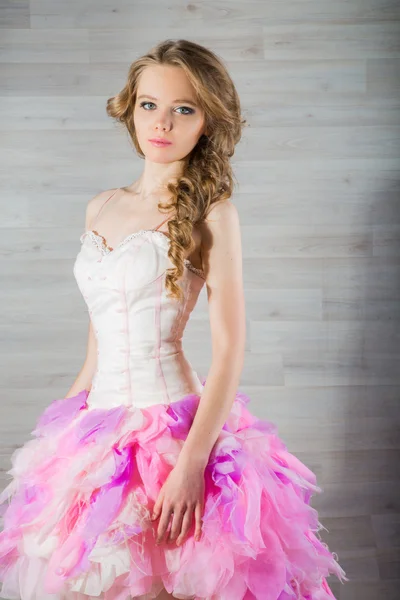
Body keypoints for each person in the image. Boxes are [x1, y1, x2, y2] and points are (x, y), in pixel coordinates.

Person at [0, 39, 348, 600]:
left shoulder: (214, 214)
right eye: (149, 105)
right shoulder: (101, 206)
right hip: (99, 427)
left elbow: (231, 349)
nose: (161, 123)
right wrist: (57, 440)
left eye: (183, 109)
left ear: (206, 120)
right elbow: (98, 341)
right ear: (130, 108)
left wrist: (191, 465)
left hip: (175, 431)